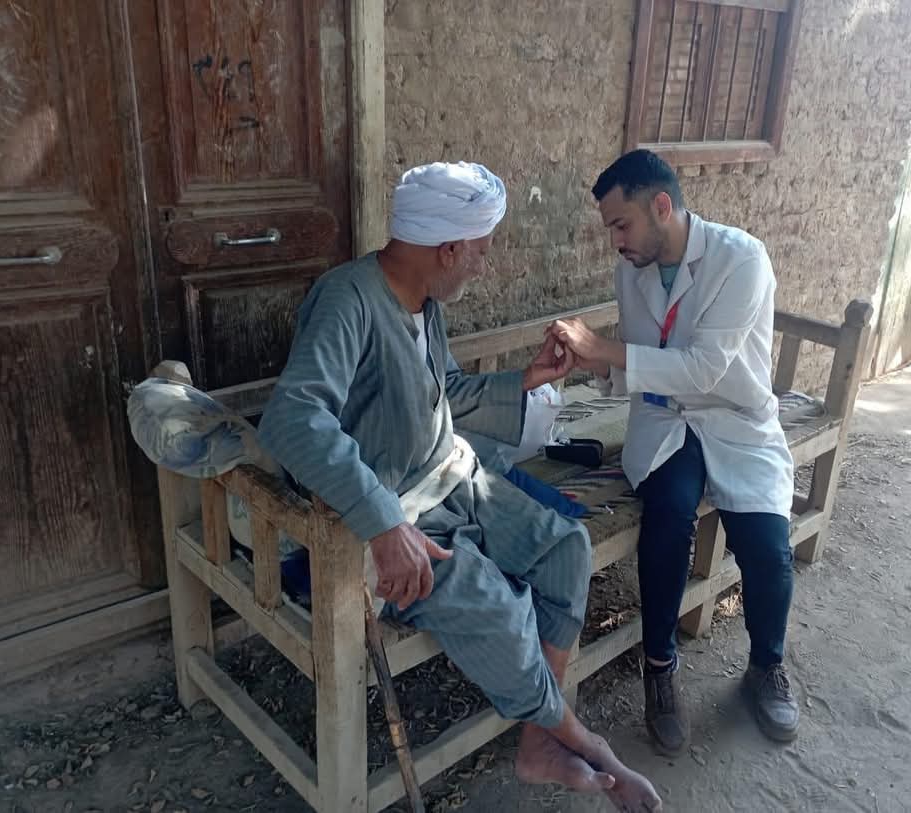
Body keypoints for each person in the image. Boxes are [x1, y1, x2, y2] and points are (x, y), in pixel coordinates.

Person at [258, 161, 662, 811]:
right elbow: (292, 417)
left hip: (452, 478)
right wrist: (384, 522)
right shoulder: (347, 300)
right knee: (501, 610)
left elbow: (442, 393)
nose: (482, 265)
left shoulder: (425, 303)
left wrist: (524, 379)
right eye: (479, 250)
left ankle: (537, 740)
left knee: (567, 548)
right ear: (447, 249)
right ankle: (579, 738)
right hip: (389, 509)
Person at [548, 149, 799, 754]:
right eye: (611, 228)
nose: (616, 242)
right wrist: (589, 364)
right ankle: (659, 668)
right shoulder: (632, 270)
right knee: (667, 519)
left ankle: (766, 665)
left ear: (662, 206)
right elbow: (643, 362)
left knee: (766, 545)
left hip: (734, 418)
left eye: (622, 224)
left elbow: (705, 368)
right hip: (666, 419)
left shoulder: (741, 259)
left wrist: (604, 350)